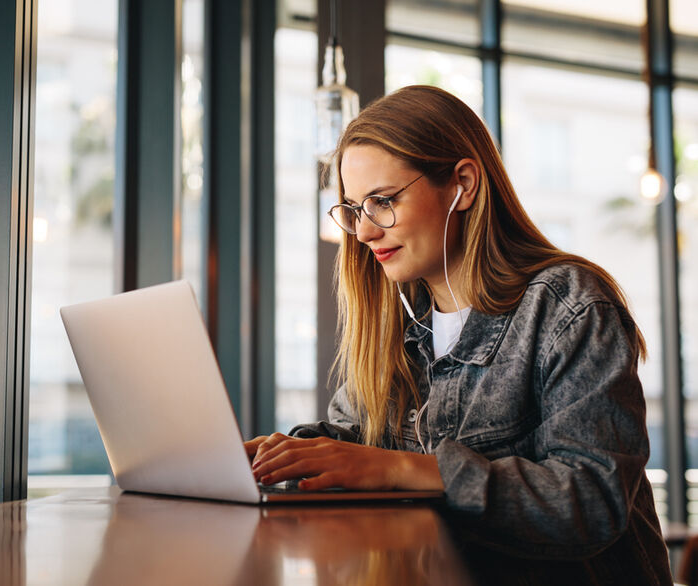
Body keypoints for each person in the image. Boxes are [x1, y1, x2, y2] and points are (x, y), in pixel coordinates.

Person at [246, 85, 672, 584]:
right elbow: (354, 438)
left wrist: (401, 469)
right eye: (354, 209)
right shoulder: (398, 320)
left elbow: (590, 502)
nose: (362, 233)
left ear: (463, 185)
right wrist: (271, 457)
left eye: (381, 201)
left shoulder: (567, 305)